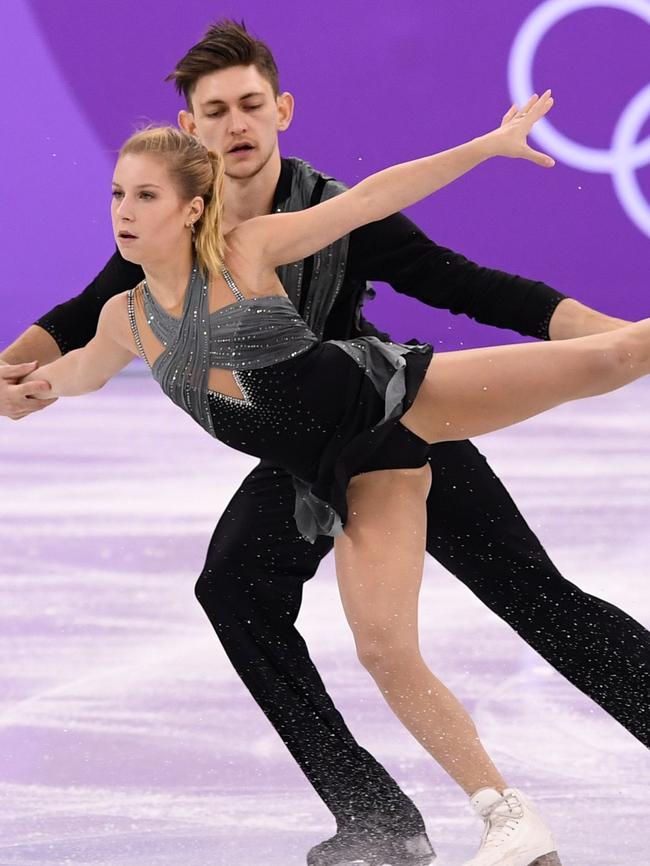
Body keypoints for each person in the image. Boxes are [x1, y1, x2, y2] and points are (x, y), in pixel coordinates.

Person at [1, 21, 648, 866]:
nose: (235, 124)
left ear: (280, 111)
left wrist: (616, 344)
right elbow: (78, 328)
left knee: (533, 595)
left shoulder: (296, 218)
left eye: (250, 105)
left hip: (388, 409)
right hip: (304, 458)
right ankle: (380, 819)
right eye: (215, 111)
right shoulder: (151, 243)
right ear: (190, 132)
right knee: (240, 592)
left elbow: (468, 284)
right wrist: (21, 375)